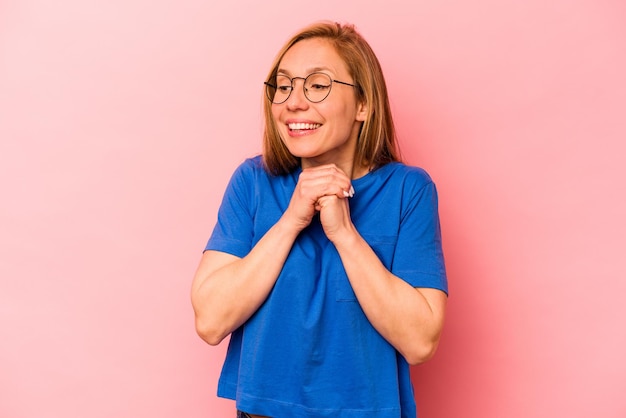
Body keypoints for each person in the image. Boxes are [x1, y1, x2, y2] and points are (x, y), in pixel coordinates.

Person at [191, 21, 448, 418]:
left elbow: (420, 342)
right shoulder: (253, 181)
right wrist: (292, 219)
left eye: (317, 85)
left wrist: (344, 233)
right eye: (284, 85)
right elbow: (210, 320)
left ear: (364, 104)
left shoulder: (408, 190)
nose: (294, 102)